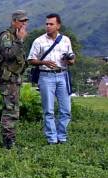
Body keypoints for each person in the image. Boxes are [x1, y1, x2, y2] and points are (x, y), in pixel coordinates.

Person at [28, 13, 75, 145]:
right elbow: (31, 59)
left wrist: (69, 60)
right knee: (48, 110)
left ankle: (62, 136)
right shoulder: (38, 41)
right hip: (46, 76)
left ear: (58, 25)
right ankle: (52, 139)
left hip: (63, 75)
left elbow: (72, 59)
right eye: (47, 24)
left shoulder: (66, 40)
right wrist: (44, 62)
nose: (48, 26)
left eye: (51, 24)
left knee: (66, 110)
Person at [0, 10, 29, 149]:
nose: (24, 24)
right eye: (22, 21)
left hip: (14, 79)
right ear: (14, 21)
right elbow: (8, 54)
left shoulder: (14, 37)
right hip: (8, 80)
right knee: (10, 110)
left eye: (25, 21)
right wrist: (20, 41)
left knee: (13, 109)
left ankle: (10, 140)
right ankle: (8, 142)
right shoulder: (6, 36)